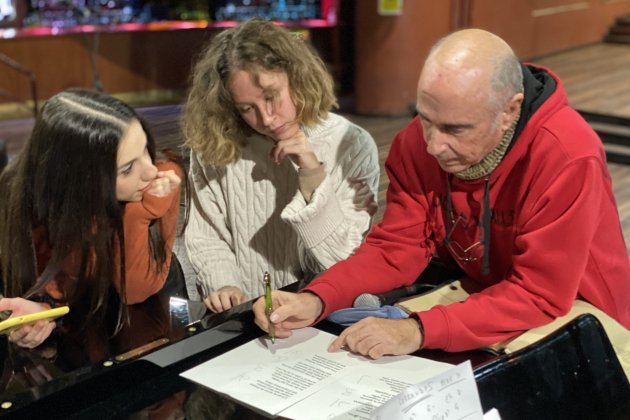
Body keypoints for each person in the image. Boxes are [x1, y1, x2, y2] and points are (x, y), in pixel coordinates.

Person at [253, 28, 630, 358]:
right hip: (489, 297)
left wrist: (417, 330)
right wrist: (317, 298)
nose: (432, 145)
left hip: (586, 314)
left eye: (455, 129)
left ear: (509, 110)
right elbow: (395, 248)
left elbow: (540, 294)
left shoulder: (567, 154)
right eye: (426, 119)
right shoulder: (415, 143)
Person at [182, 18, 380, 313]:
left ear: (297, 76)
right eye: (247, 108)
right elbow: (207, 235)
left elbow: (346, 261)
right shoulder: (216, 147)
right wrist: (223, 286)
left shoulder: (351, 144)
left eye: (272, 97)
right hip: (245, 316)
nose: (267, 119)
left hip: (323, 314)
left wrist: (312, 175)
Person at [0, 88, 185, 349]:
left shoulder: (162, 179)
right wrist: (41, 312)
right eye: (128, 168)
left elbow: (135, 290)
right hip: (83, 308)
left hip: (151, 298)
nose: (150, 169)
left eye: (145, 148)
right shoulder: (25, 197)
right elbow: (49, 277)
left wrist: (137, 215)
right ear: (82, 180)